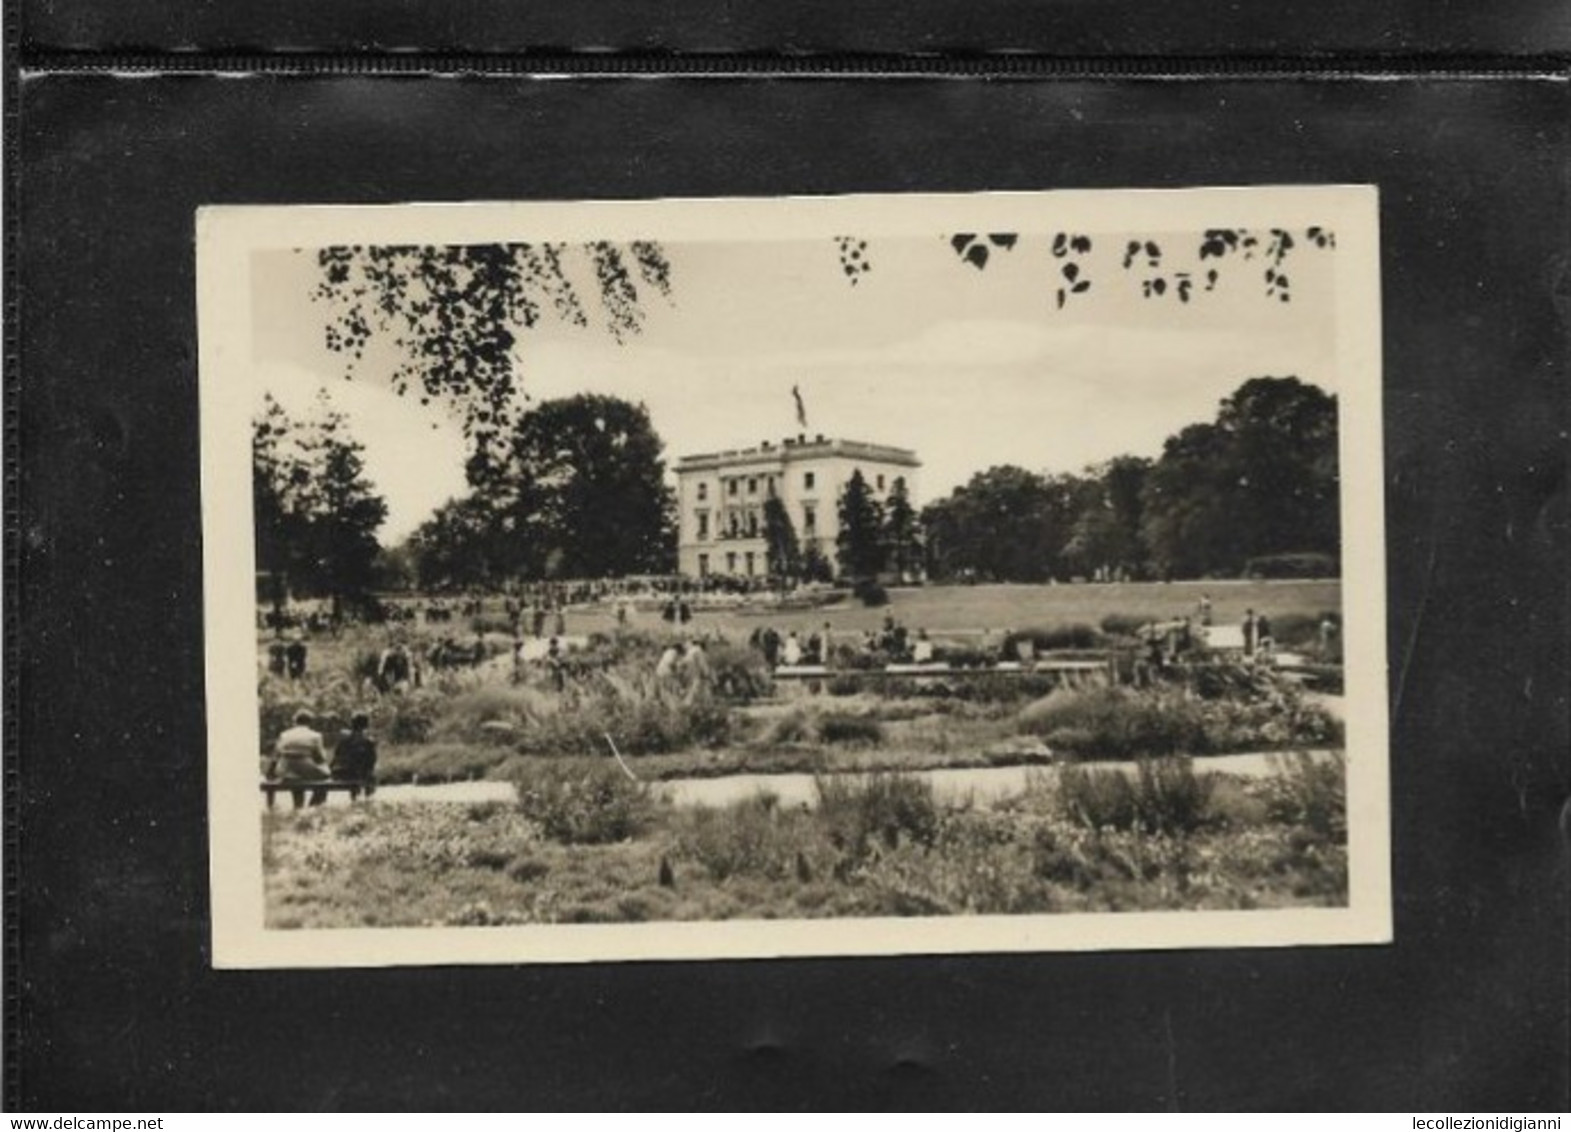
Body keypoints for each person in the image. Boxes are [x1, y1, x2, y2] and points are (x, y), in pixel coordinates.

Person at [270, 710, 330, 808]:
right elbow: (321, 757)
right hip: (303, 766)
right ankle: (313, 806)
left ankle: (298, 805)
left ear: (295, 721)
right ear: (310, 722)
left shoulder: (284, 734)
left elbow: (276, 754)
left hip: (284, 768)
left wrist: (272, 771)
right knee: (325, 779)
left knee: (295, 776)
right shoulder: (315, 735)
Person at [332, 712, 378, 800]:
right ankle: (368, 797)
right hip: (358, 774)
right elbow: (372, 761)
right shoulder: (368, 742)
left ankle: (354, 796)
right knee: (370, 776)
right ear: (366, 725)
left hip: (341, 773)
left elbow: (336, 757)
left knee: (355, 769)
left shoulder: (343, 741)